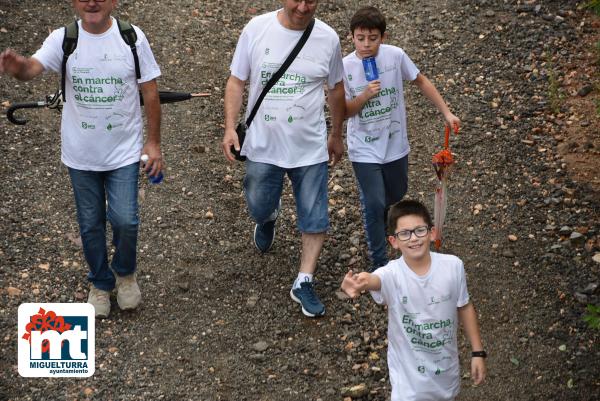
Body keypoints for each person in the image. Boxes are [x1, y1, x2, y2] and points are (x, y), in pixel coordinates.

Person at [0, 0, 162, 318]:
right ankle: (101, 283)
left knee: (125, 220)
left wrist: (153, 143)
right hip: (81, 155)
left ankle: (125, 274)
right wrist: (16, 66)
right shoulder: (64, 39)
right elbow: (32, 69)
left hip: (124, 152)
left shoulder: (132, 38)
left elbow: (151, 93)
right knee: (90, 225)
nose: (92, 2)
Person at [221, 0, 345, 317]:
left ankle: (304, 281)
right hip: (263, 144)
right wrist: (229, 128)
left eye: (311, 1)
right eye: (297, 0)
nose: (303, 7)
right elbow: (236, 81)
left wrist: (335, 135)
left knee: (315, 214)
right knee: (258, 203)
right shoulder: (256, 29)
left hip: (309, 146)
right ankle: (268, 217)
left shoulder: (328, 38)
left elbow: (335, 89)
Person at [343, 6, 461, 271]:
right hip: (363, 147)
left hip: (395, 144)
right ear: (352, 37)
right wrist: (364, 96)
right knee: (373, 204)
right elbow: (344, 112)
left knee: (396, 193)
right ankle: (380, 262)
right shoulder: (345, 67)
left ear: (382, 38)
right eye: (360, 38)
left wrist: (446, 112)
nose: (366, 44)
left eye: (373, 38)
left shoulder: (395, 57)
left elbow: (420, 81)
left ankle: (379, 210)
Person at [341, 199, 486, 401]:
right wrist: (361, 282)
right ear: (394, 241)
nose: (413, 238)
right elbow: (374, 279)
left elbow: (464, 306)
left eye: (419, 230)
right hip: (408, 385)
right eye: (404, 233)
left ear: (432, 232)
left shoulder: (453, 266)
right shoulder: (392, 274)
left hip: (446, 374)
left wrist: (477, 352)